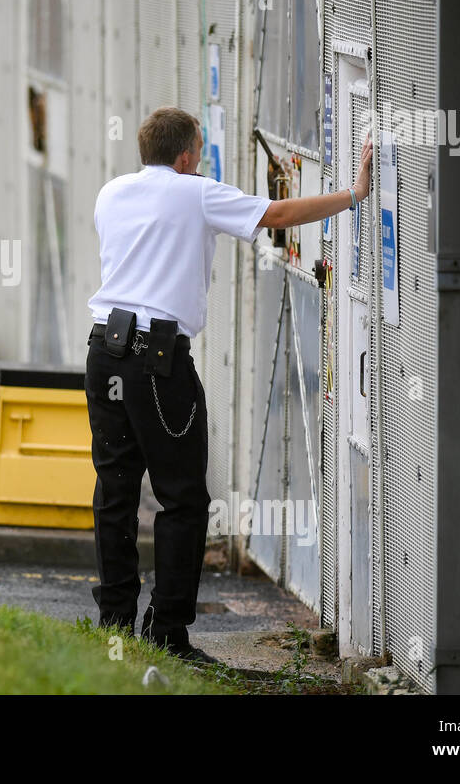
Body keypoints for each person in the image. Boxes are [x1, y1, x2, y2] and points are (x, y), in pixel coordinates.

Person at [84, 106, 373, 661]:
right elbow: (278, 213)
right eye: (198, 150)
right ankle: (167, 632)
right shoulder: (196, 192)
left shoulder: (111, 193)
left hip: (105, 353)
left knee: (115, 489)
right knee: (184, 501)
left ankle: (114, 623)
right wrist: (352, 194)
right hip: (157, 361)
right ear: (188, 155)